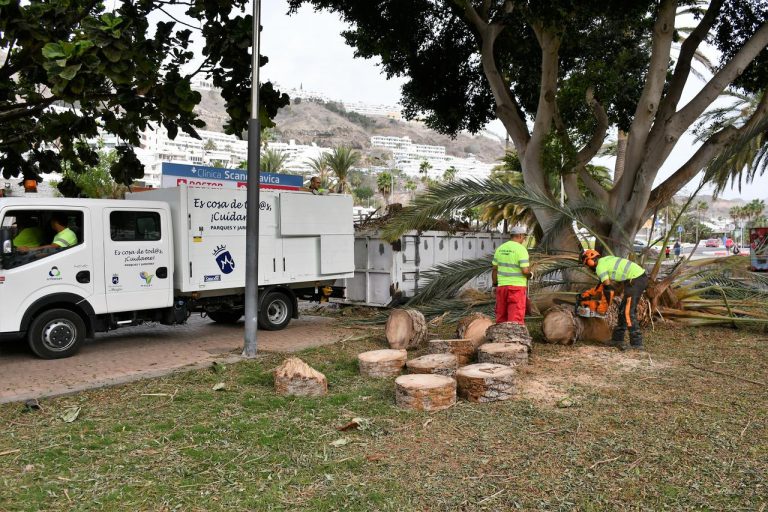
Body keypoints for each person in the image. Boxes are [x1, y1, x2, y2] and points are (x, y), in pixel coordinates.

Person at [580, 249, 648, 350]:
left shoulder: (600, 267)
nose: (588, 267)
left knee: (628, 312)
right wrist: (588, 294)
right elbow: (602, 285)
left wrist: (603, 308)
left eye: (587, 264)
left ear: (590, 261)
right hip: (636, 279)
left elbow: (609, 290)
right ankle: (617, 339)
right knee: (622, 310)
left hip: (635, 280)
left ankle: (637, 344)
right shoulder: (604, 261)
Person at [491, 226, 531, 325]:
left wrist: (495, 285)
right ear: (520, 236)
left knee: (501, 316)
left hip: (502, 288)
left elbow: (495, 270)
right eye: (524, 237)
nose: (524, 239)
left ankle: (500, 338)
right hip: (517, 289)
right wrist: (531, 275)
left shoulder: (500, 249)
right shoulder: (521, 250)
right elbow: (525, 271)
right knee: (515, 319)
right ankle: (513, 339)